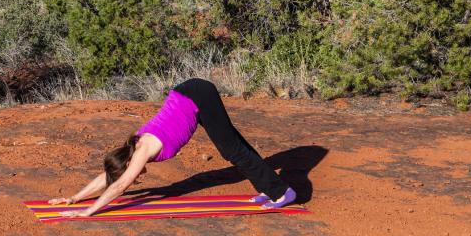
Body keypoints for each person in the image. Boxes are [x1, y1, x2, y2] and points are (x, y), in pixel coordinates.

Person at [49, 78, 296, 218]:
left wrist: (88, 211)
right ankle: (268, 186)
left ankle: (281, 192)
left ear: (127, 163)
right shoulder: (131, 146)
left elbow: (120, 184)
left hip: (198, 95)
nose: (133, 176)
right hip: (188, 94)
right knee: (232, 145)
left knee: (231, 150)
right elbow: (110, 176)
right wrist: (74, 198)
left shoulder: (142, 148)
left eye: (128, 171)